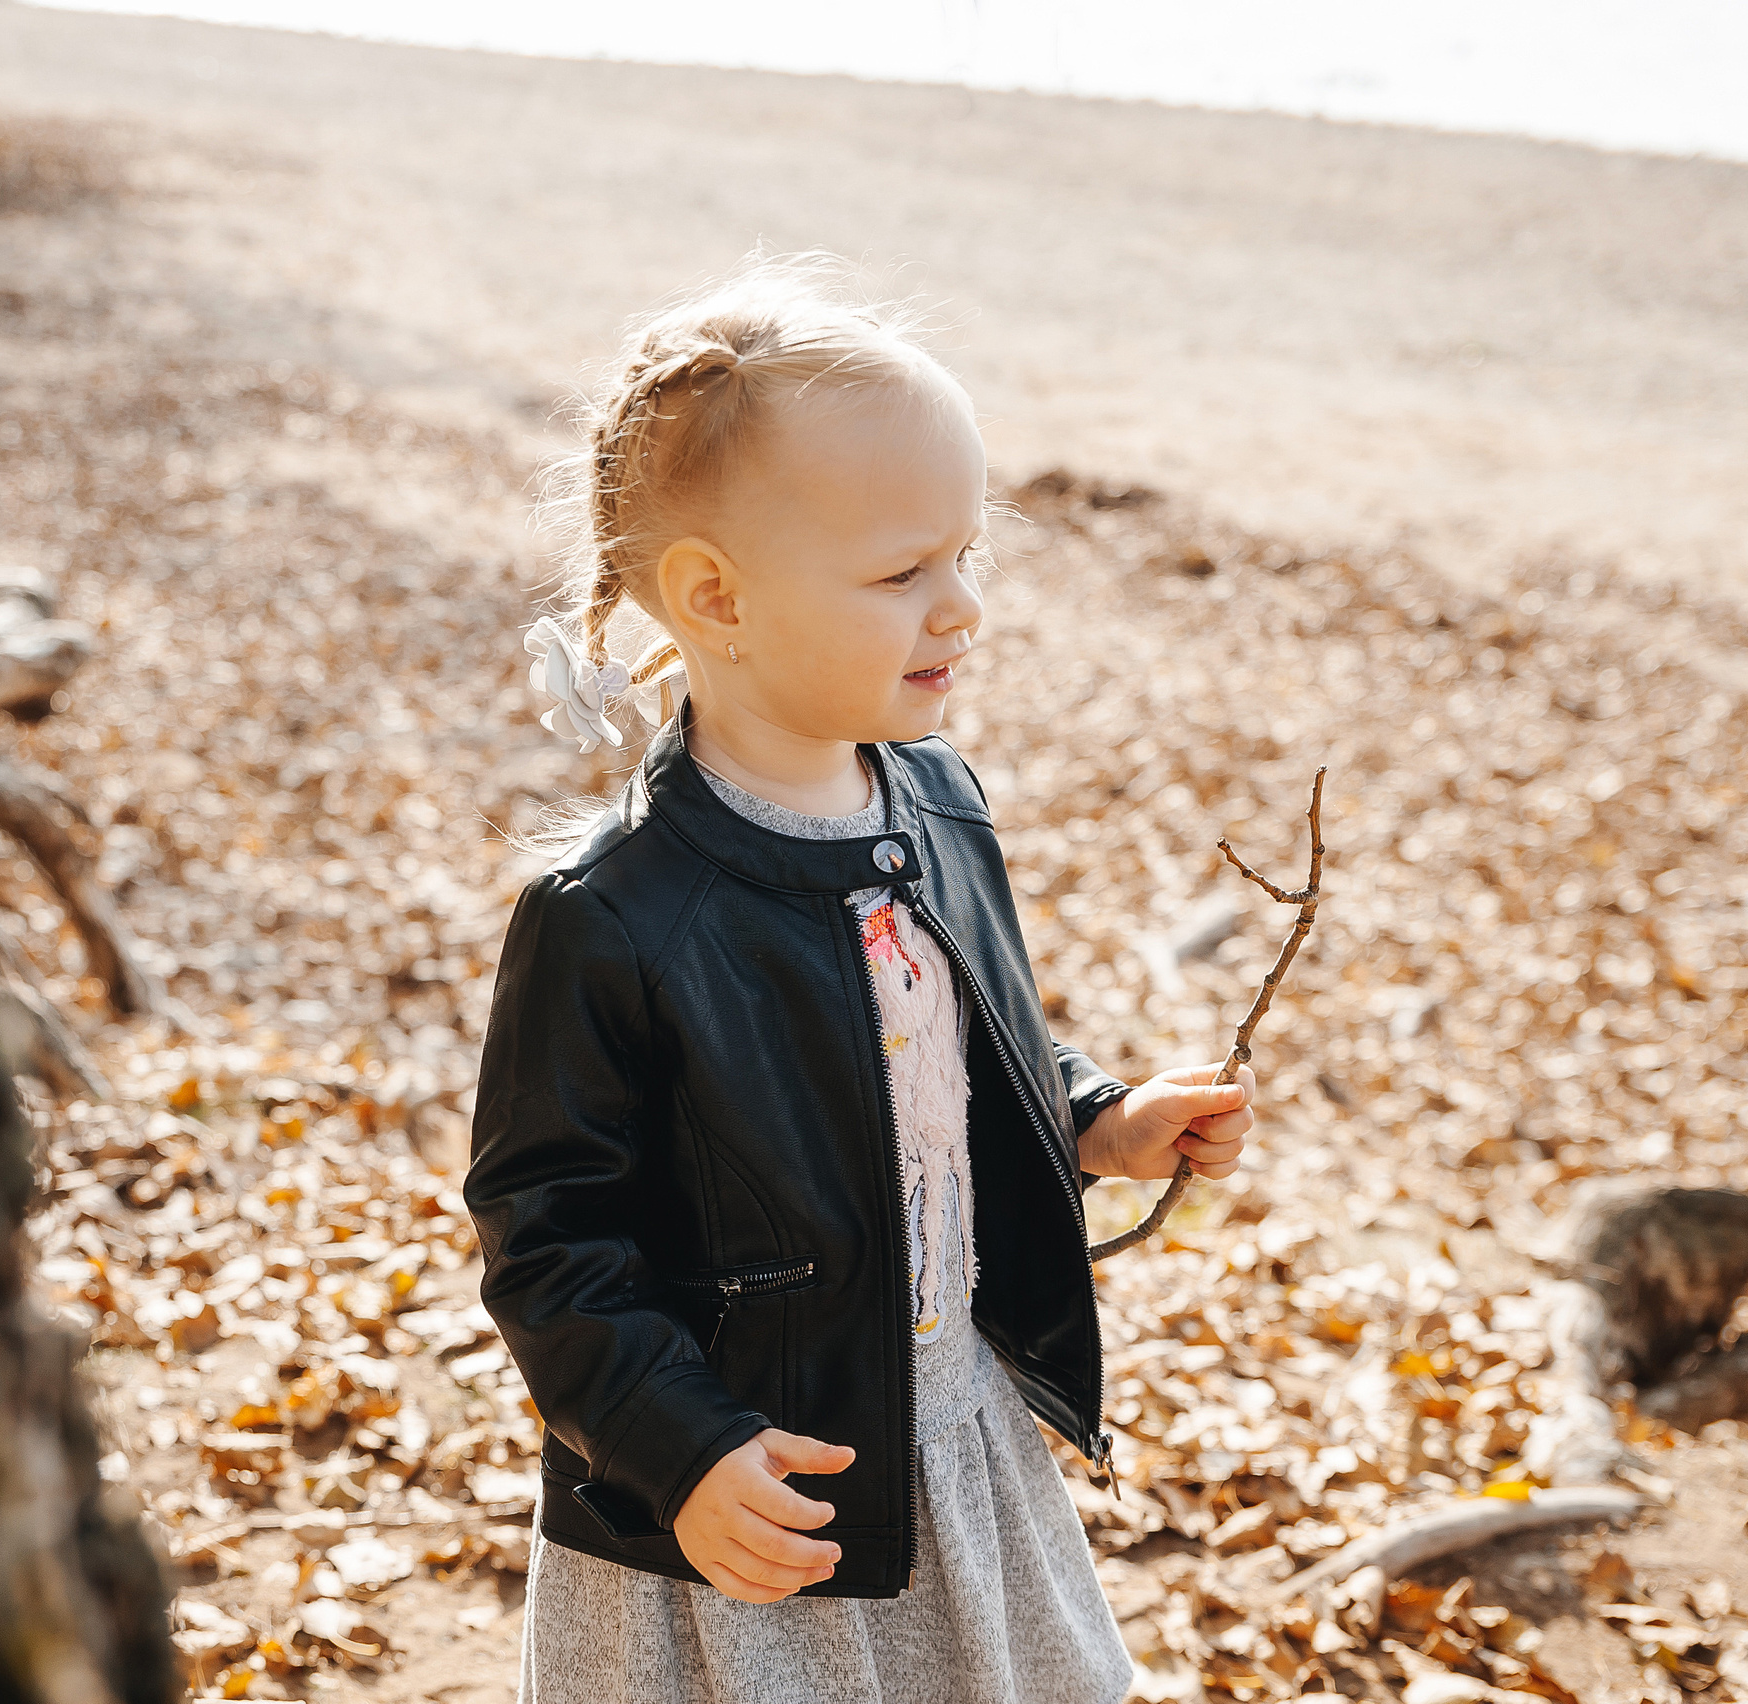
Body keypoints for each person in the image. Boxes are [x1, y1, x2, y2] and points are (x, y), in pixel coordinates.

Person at [464, 254, 1259, 1704]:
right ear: (717, 597)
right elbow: (548, 1242)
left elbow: (953, 1052)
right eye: (902, 574)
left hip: (951, 1439)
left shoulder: (937, 805)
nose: (961, 609)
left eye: (967, 555)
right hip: (757, 1496)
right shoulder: (613, 917)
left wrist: (1096, 1118)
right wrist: (681, 1448)